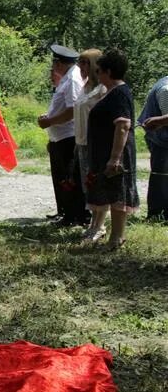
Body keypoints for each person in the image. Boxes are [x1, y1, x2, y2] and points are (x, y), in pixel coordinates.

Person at [84, 49, 139, 250]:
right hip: (106, 153)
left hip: (116, 154)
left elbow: (123, 125)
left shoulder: (119, 93)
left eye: (98, 70)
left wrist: (115, 158)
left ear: (107, 71)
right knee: (112, 192)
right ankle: (115, 237)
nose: (97, 75)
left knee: (118, 194)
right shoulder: (114, 92)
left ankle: (116, 238)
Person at [38, 44, 88, 226]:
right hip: (60, 137)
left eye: (55, 62)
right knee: (62, 177)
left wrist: (50, 121)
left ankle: (74, 216)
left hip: (69, 137)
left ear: (59, 63)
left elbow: (73, 109)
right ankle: (67, 213)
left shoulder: (73, 79)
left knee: (69, 178)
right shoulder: (67, 78)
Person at [73, 49, 106, 239]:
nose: (81, 67)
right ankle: (93, 223)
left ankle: (100, 225)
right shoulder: (84, 87)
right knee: (88, 185)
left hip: (95, 142)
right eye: (80, 63)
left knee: (97, 184)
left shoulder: (101, 89)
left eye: (85, 63)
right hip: (81, 141)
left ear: (94, 65)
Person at [138, 76, 168, 221]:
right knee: (161, 178)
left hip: (161, 139)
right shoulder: (166, 89)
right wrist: (160, 121)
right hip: (162, 141)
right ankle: (158, 215)